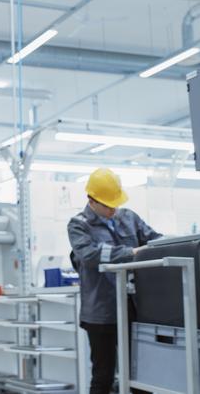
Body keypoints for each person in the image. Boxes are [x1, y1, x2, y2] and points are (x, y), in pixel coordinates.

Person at [67, 167, 161, 394]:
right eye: (108, 204)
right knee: (103, 376)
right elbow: (89, 255)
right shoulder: (78, 225)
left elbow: (155, 241)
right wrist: (132, 252)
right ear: (92, 201)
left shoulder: (129, 217)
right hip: (100, 313)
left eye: (115, 203)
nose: (113, 209)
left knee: (140, 374)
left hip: (133, 308)